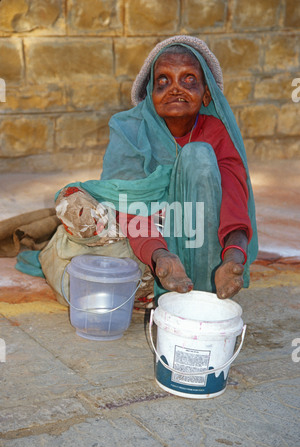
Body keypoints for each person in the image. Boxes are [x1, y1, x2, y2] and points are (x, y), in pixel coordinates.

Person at [22, 35, 258, 305]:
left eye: (189, 79)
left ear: (206, 93)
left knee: (198, 154)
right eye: (163, 81)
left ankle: (199, 284)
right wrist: (161, 257)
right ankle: (160, 276)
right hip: (145, 240)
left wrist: (234, 256)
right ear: (149, 93)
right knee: (73, 203)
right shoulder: (130, 130)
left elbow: (235, 201)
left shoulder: (215, 133)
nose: (175, 89)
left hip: (201, 242)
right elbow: (127, 203)